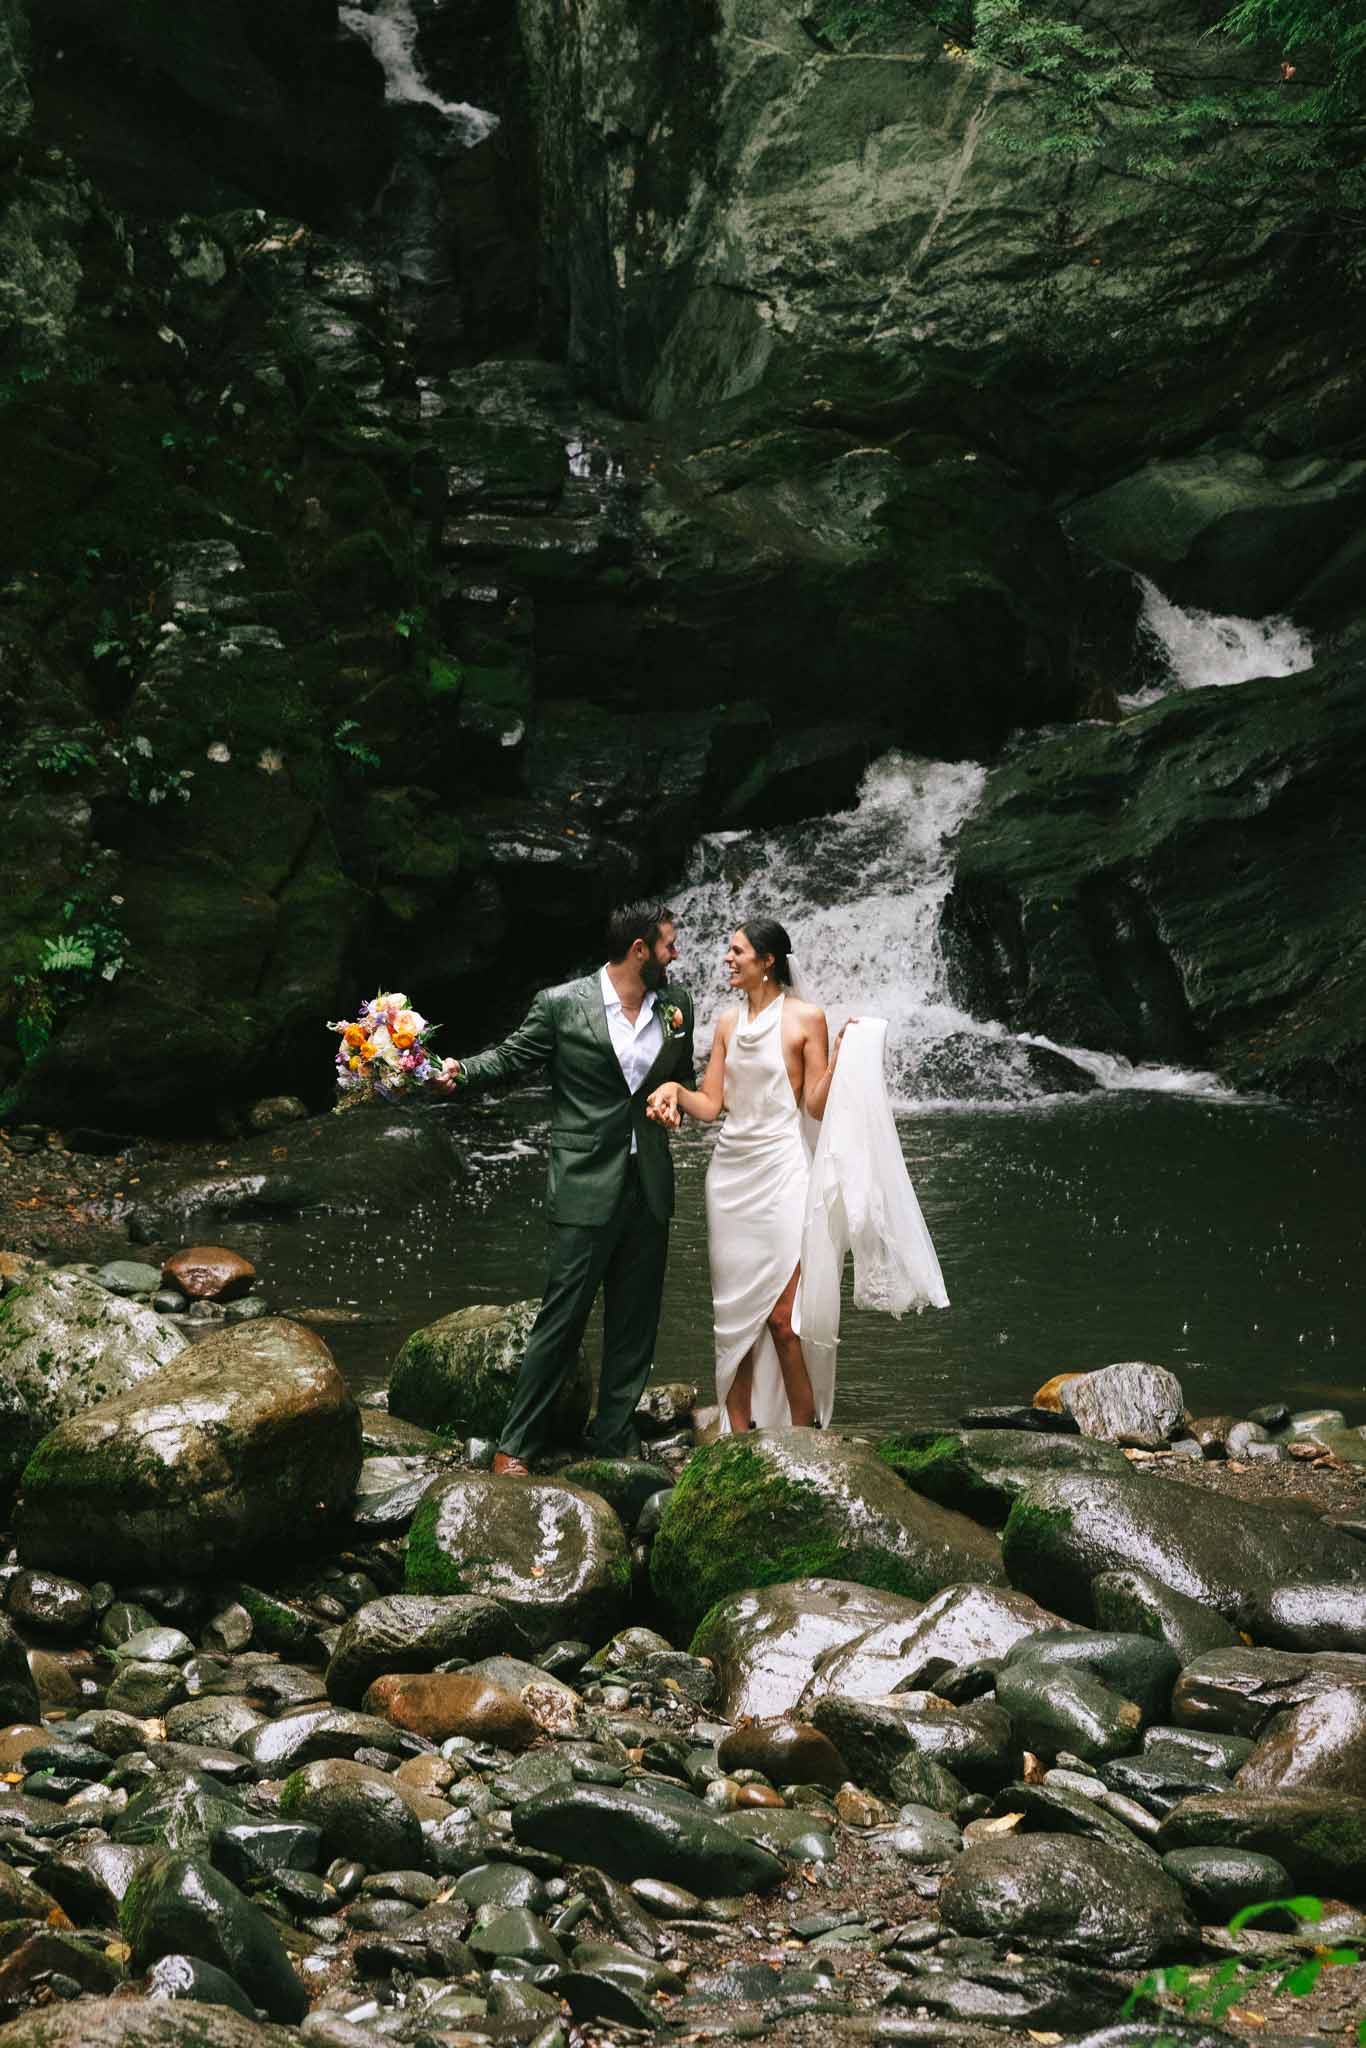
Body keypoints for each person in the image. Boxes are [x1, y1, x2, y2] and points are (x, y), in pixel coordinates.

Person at [647, 917, 948, 1432]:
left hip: (784, 1173)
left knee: (785, 1319)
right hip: (730, 1180)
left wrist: (840, 1060)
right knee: (734, 1316)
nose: (728, 959)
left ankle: (807, 1431)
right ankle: (737, 1431)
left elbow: (813, 1105)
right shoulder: (725, 1023)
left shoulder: (808, 1017)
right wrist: (675, 1091)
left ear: (767, 962)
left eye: (738, 952)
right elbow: (712, 1103)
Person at [433, 903, 694, 1474]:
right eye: (670, 944)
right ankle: (516, 1446)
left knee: (636, 1319)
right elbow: (509, 1057)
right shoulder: (560, 1004)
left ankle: (613, 1436)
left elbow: (684, 1078)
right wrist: (460, 1071)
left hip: (648, 1179)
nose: (678, 954)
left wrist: (673, 1094)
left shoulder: (677, 1007)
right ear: (639, 950)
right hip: (583, 1180)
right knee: (563, 1316)